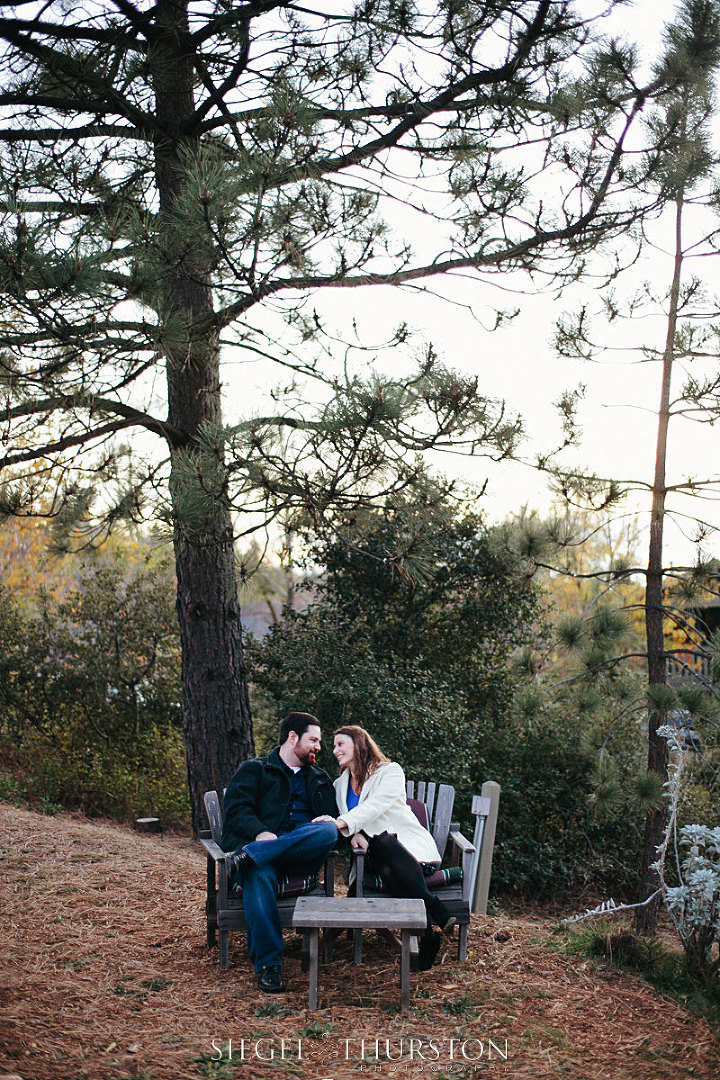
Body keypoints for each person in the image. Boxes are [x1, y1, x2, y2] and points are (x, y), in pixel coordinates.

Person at [314, 724, 456, 970]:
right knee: (380, 843)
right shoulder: (339, 785)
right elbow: (351, 818)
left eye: (340, 744)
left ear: (359, 744)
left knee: (385, 844)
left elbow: (375, 806)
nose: (335, 750)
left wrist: (342, 823)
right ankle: (435, 909)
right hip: (371, 856)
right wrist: (352, 833)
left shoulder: (390, 772)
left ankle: (429, 938)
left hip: (408, 851)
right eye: (334, 746)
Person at [221, 712, 338, 992]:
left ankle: (253, 855)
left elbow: (333, 820)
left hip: (301, 856)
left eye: (319, 742)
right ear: (292, 737)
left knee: (328, 830)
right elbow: (236, 811)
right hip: (263, 851)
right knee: (258, 875)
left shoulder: (321, 779)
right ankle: (269, 966)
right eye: (314, 740)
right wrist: (261, 832)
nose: (319, 748)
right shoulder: (255, 769)